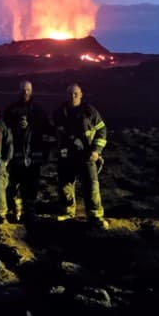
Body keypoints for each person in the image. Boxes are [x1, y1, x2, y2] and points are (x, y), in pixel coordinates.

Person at [53, 83, 109, 229]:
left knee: (91, 185)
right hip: (67, 156)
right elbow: (54, 132)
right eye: (70, 94)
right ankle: (67, 211)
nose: (73, 96)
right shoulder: (60, 112)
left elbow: (102, 130)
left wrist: (96, 150)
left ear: (81, 94)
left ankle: (95, 215)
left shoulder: (89, 111)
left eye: (75, 93)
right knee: (65, 185)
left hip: (86, 155)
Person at [3, 80, 53, 222]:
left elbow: (48, 130)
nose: (25, 92)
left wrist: (45, 152)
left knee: (32, 184)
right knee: (13, 184)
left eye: (28, 89)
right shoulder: (11, 110)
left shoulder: (39, 110)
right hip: (16, 154)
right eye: (23, 90)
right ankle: (14, 210)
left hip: (34, 155)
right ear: (19, 91)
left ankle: (29, 212)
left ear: (32, 90)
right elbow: (4, 131)